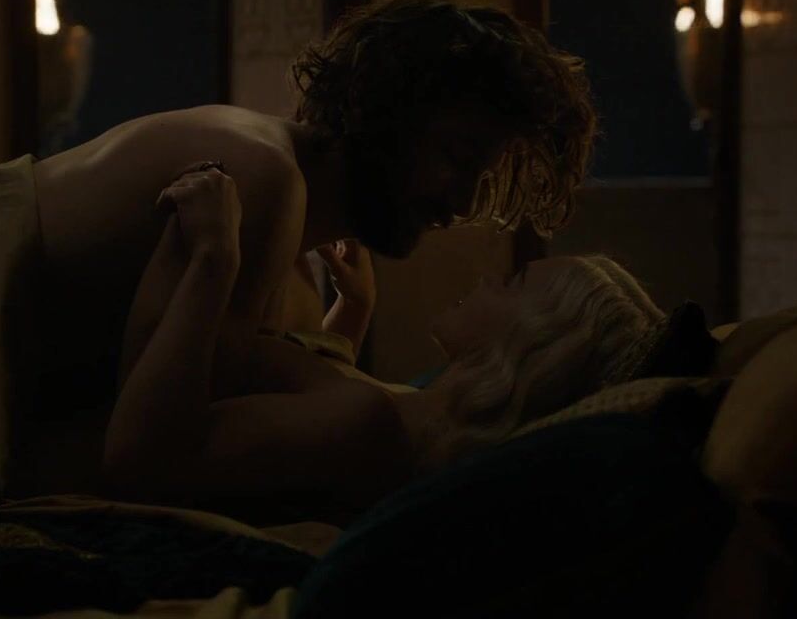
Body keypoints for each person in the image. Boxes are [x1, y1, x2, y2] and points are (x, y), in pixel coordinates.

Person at [0, 0, 597, 505]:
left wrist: (341, 327)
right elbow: (146, 446)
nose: (463, 203)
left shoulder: (287, 242)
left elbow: (212, 413)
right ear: (392, 114)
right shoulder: (260, 181)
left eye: (479, 177)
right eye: (456, 158)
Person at [104, 164, 663, 514]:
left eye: (512, 284)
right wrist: (352, 313)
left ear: (529, 347)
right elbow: (295, 415)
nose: (488, 280)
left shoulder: (369, 424)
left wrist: (213, 259)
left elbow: (143, 462)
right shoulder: (409, 415)